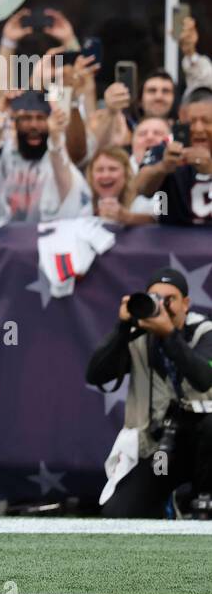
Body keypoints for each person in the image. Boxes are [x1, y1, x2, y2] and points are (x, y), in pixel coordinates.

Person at [87, 268, 212, 518]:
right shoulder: (138, 335)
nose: (163, 307)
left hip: (206, 449)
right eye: (155, 298)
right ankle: (170, 502)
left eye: (170, 299)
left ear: (186, 304)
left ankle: (201, 500)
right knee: (119, 516)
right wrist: (122, 328)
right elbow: (95, 375)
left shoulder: (205, 332)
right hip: (161, 451)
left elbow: (203, 379)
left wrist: (169, 336)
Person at [0, 90, 90, 222]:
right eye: (27, 118)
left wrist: (55, 135)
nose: (33, 125)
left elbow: (60, 155)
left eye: (40, 118)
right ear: (15, 123)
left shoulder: (57, 159)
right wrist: (0, 111)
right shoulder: (6, 156)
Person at [133, 87, 212, 226]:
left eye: (206, 121)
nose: (198, 129)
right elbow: (140, 187)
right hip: (172, 241)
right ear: (181, 119)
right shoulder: (165, 149)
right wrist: (163, 167)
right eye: (191, 122)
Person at [86, 146, 153, 226]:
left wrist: (127, 217)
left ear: (126, 174)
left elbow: (156, 221)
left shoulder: (139, 202)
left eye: (113, 169)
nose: (106, 175)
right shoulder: (84, 204)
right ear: (91, 175)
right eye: (100, 170)